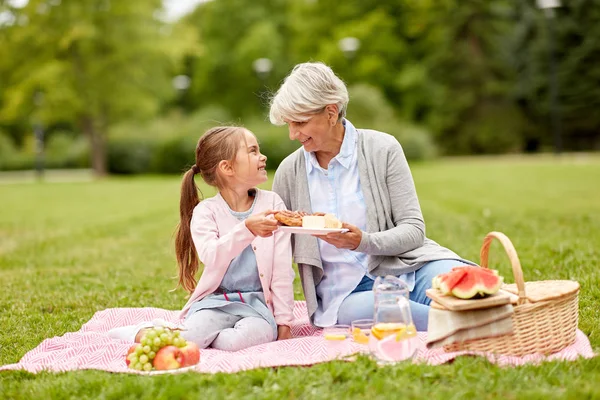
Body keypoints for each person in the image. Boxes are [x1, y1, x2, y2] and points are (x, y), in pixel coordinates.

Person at [269, 62, 475, 331]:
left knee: (462, 281)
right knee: (379, 308)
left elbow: (414, 230)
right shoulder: (289, 172)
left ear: (331, 112)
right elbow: (274, 250)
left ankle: (466, 317)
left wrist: (362, 242)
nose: (292, 134)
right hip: (346, 294)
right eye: (289, 124)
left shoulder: (383, 148)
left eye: (300, 122)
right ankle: (466, 323)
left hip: (408, 267)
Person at [109, 126, 295, 351]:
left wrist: (284, 324)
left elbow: (282, 270)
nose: (262, 156)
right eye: (253, 151)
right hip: (215, 304)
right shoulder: (206, 212)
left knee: (237, 343)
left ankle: (208, 336)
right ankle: (143, 331)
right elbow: (212, 255)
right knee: (184, 341)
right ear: (227, 167)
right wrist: (247, 228)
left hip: (257, 307)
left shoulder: (272, 204)